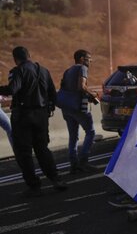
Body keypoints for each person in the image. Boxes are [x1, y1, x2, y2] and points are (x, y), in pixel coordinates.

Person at [0, 46, 68, 196]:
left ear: (15, 59)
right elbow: (52, 93)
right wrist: (48, 108)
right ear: (29, 55)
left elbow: (12, 90)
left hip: (23, 116)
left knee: (24, 152)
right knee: (42, 149)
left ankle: (34, 185)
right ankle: (56, 179)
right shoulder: (43, 70)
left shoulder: (18, 71)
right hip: (41, 115)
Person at [59, 49, 101, 173]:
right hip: (78, 107)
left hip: (67, 108)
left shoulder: (68, 71)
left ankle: (73, 165)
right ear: (82, 59)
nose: (90, 61)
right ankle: (84, 161)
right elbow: (81, 86)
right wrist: (93, 94)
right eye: (89, 58)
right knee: (91, 132)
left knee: (73, 136)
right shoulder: (82, 68)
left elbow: (65, 87)